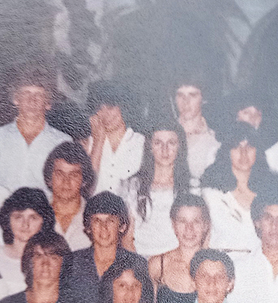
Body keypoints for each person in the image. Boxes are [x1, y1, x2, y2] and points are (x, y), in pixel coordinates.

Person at [61, 192, 147, 303]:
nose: (104, 227)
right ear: (88, 227)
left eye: (110, 221)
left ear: (122, 226)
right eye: (97, 221)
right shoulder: (72, 262)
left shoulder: (137, 264)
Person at [201, 122, 277, 260]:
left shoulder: (270, 192)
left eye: (249, 147)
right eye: (236, 147)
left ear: (258, 151)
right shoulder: (211, 194)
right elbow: (203, 239)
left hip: (259, 263)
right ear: (226, 152)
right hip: (220, 265)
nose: (243, 153)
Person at [122, 117, 192, 258]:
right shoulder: (132, 186)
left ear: (180, 147)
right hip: (141, 262)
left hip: (177, 265)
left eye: (171, 143)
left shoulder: (192, 187)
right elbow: (126, 238)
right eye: (158, 143)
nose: (164, 150)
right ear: (150, 147)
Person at [0, 70, 71, 191]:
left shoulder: (62, 141)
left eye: (39, 95)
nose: (32, 100)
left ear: (48, 103)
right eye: (26, 93)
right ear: (16, 99)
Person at [149, 193, 211, 303]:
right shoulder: (157, 265)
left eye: (196, 221)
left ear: (205, 225)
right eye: (182, 221)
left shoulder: (216, 265)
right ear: (173, 225)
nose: (189, 229)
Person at [86, 81, 145, 194]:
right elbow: (87, 187)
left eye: (110, 107)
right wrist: (98, 142)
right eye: (99, 108)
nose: (105, 114)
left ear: (124, 107)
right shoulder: (88, 143)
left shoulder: (141, 142)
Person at [0, 188, 54, 292]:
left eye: (33, 218)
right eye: (18, 217)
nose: (25, 225)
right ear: (8, 220)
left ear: (44, 222)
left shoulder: (50, 261)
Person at [43, 142, 94, 252]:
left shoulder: (96, 218)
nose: (66, 182)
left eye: (74, 175)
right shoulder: (35, 215)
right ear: (49, 178)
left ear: (84, 180)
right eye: (59, 174)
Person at [174, 80, 221, 190]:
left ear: (203, 99)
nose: (186, 101)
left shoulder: (215, 140)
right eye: (180, 95)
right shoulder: (161, 136)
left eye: (193, 95)